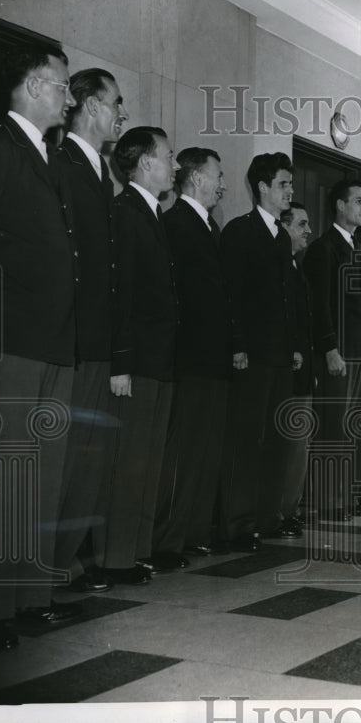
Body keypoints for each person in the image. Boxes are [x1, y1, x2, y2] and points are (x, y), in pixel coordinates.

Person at [0, 46, 80, 650]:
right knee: (3, 472)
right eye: (62, 85)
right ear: (34, 86)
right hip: (9, 341)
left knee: (39, 476)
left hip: (50, 341)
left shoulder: (43, 155)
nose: (71, 97)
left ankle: (27, 596)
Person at [52, 68, 128, 595]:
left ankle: (72, 560)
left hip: (99, 340)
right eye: (114, 104)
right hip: (75, 339)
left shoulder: (101, 171)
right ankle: (52, 568)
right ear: (86, 105)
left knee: (88, 462)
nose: (121, 114)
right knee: (66, 459)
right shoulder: (62, 165)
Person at [104, 127, 180, 582]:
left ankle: (136, 551)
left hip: (160, 360)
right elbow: (122, 294)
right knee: (131, 462)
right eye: (169, 157)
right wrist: (123, 362)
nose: (174, 166)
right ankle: (117, 557)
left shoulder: (150, 213)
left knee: (150, 461)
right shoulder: (126, 212)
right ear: (146, 163)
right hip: (140, 362)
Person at [151, 149, 233, 559]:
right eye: (218, 175)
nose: (223, 184)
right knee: (183, 453)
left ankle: (192, 533)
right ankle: (167, 540)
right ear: (197, 178)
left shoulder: (208, 226)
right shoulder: (177, 224)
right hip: (190, 359)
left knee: (205, 451)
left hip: (213, 360)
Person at [219, 152, 295, 548]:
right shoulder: (239, 231)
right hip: (252, 354)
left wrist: (293, 347)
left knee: (278, 436)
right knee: (248, 438)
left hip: (280, 355)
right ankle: (239, 522)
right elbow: (230, 295)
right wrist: (237, 345)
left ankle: (269, 515)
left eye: (291, 184)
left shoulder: (282, 237)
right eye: (283, 184)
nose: (289, 191)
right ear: (263, 187)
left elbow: (285, 299)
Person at [303, 180, 361, 518]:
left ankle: (345, 497)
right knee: (333, 426)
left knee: (354, 428)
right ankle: (326, 501)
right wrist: (330, 348)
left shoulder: (360, 249)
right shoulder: (324, 247)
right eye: (359, 201)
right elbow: (319, 305)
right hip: (339, 353)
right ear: (339, 205)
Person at [278, 201, 314, 532]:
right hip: (287, 369)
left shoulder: (295, 265)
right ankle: (281, 511)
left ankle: (289, 509)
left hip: (302, 370)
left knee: (298, 445)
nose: (308, 231)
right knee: (287, 444)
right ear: (284, 226)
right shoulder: (281, 266)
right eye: (301, 224)